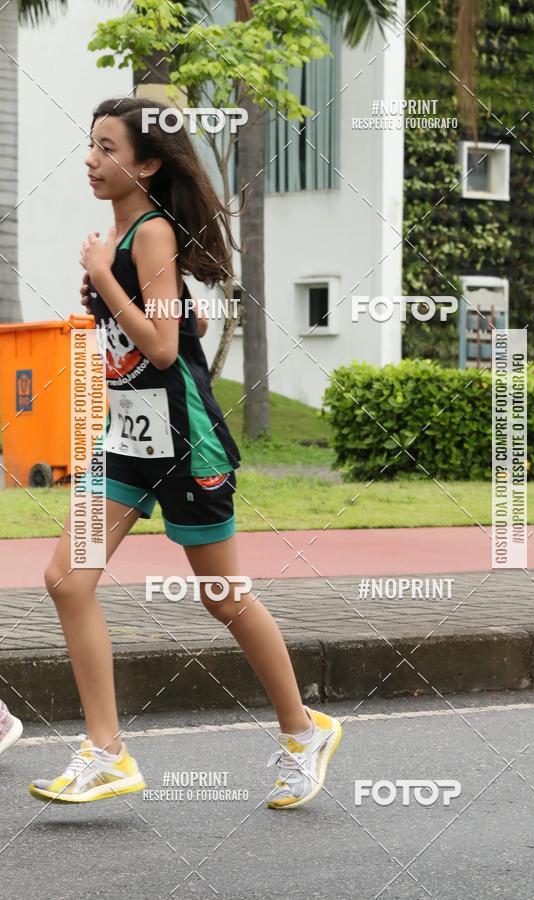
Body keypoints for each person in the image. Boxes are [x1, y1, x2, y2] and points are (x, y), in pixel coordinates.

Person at [29, 97, 342, 808]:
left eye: (107, 148)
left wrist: (105, 277)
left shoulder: (150, 236)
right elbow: (181, 321)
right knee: (67, 579)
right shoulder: (128, 237)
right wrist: (118, 281)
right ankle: (106, 752)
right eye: (90, 144)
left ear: (146, 163)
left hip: (186, 440)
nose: (89, 159)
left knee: (222, 597)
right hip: (130, 440)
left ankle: (303, 731)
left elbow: (165, 347)